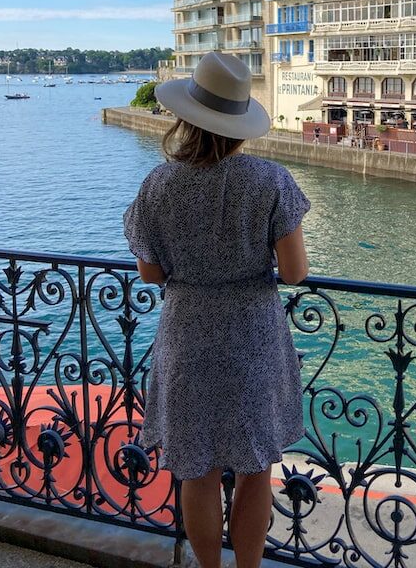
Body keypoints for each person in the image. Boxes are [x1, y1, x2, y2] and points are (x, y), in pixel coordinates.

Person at [123, 52, 310, 568]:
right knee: (255, 471)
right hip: (252, 338)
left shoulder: (158, 184)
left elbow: (151, 273)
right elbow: (294, 273)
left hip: (186, 336)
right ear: (239, 121)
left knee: (196, 472)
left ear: (186, 116)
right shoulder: (271, 181)